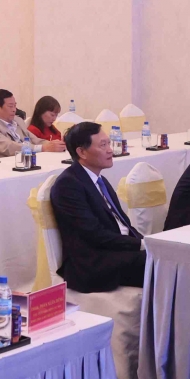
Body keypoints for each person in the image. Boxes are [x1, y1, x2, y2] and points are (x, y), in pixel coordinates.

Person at [49, 122, 146, 290]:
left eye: (108, 143)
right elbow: (94, 234)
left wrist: (145, 242)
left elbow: (123, 224)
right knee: (160, 263)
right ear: (82, 152)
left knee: (168, 257)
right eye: (103, 145)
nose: (110, 150)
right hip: (93, 263)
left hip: (118, 252)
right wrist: (140, 245)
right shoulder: (68, 185)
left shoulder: (100, 180)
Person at [0, 90, 61, 157]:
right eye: (10, 106)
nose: (14, 110)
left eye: (15, 106)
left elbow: (34, 139)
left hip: (24, 161)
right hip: (3, 165)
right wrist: (42, 148)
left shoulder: (18, 120)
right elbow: (9, 147)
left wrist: (53, 144)